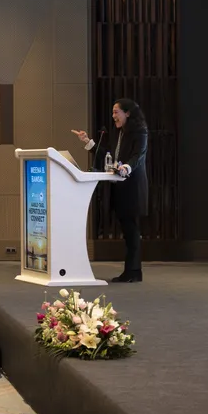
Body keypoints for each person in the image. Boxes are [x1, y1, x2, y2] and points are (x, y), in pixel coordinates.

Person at [72, 98, 148, 283]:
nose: (113, 116)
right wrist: (88, 141)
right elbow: (108, 154)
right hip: (119, 187)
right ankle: (132, 271)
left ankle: (134, 271)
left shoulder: (140, 132)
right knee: (127, 231)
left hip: (132, 187)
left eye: (116, 112)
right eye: (113, 112)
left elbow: (138, 156)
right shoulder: (119, 133)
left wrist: (126, 168)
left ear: (127, 113)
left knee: (132, 231)